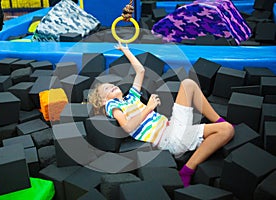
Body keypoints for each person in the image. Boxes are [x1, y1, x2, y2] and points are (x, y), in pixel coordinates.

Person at [88, 42, 235, 187]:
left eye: (112, 84)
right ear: (102, 101)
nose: (112, 86)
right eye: (107, 89)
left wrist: (125, 51)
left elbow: (140, 71)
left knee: (188, 84)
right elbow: (127, 127)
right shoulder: (113, 106)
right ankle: (187, 170)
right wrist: (148, 108)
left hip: (173, 126)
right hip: (170, 139)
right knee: (227, 130)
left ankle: (219, 120)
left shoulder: (130, 98)